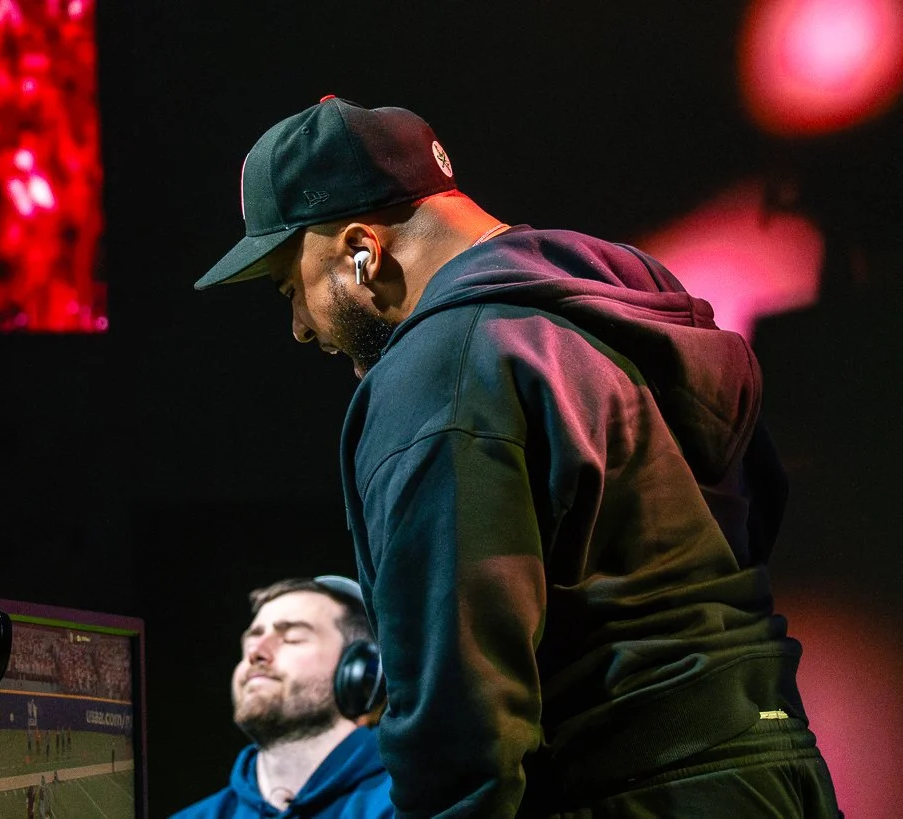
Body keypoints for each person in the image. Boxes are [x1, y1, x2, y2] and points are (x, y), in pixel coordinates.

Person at [192, 95, 843, 818]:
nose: (298, 327)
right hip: (777, 772)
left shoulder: (440, 372)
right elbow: (758, 506)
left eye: (293, 288)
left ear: (361, 251)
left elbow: (458, 710)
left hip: (635, 793)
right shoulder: (626, 296)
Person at [167, 575, 393, 818]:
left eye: (291, 638)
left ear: (357, 671)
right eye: (252, 640)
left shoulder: (409, 805)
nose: (256, 652)